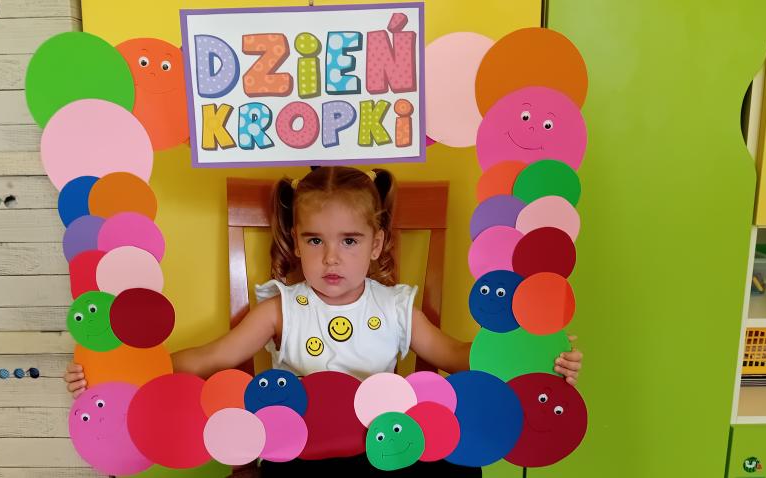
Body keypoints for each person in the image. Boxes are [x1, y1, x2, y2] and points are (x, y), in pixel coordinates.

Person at [64, 166, 583, 475]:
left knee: (458, 465)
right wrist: (119, 375)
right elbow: (207, 358)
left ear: (376, 244)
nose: (331, 258)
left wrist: (539, 360)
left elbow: (459, 356)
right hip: (298, 449)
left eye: (349, 241)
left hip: (383, 447)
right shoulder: (282, 308)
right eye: (315, 240)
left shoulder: (396, 307)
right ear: (296, 241)